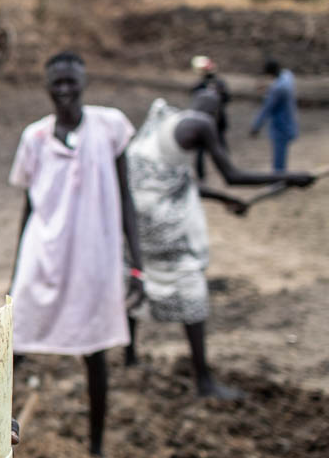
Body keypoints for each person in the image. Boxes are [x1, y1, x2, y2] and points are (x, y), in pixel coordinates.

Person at [125, 87, 314, 399]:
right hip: (159, 223)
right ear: (219, 111)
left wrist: (226, 199)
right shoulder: (202, 123)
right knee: (189, 282)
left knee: (136, 277)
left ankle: (130, 356)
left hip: (134, 220)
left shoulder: (164, 120)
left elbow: (171, 181)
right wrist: (289, 177)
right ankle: (204, 381)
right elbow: (232, 174)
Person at [8, 51, 144, 458]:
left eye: (71, 81)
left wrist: (138, 264)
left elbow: (126, 197)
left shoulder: (110, 127)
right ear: (47, 86)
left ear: (83, 83)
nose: (64, 89)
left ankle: (97, 445)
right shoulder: (34, 137)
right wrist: (17, 268)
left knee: (95, 349)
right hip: (44, 253)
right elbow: (29, 205)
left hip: (92, 258)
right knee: (12, 344)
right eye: (57, 82)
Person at [250, 58, 298, 172]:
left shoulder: (278, 88)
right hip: (290, 121)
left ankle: (278, 180)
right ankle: (279, 178)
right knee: (281, 155)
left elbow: (266, 109)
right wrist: (268, 88)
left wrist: (255, 126)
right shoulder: (287, 75)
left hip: (281, 126)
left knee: (279, 158)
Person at [188, 55, 229, 181]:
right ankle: (226, 169)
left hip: (206, 122)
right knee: (221, 146)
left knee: (202, 149)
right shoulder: (219, 84)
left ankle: (202, 176)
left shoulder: (199, 87)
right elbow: (227, 98)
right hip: (217, 122)